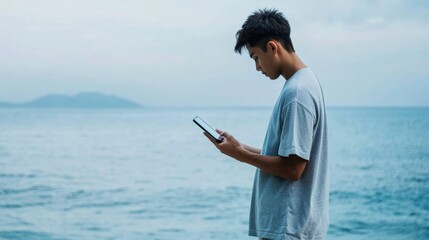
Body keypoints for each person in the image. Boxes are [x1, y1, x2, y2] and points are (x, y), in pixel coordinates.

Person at [203, 9, 329, 240]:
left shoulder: (297, 93)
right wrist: (241, 147)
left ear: (272, 47)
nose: (257, 67)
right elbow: (292, 156)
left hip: (287, 228)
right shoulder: (305, 82)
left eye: (255, 57)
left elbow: (293, 169)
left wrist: (239, 155)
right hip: (291, 227)